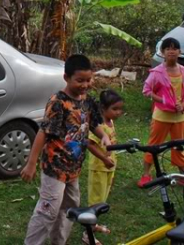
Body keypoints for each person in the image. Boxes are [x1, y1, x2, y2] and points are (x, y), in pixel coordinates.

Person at [21, 54, 112, 245]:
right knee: (48, 210)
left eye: (88, 80)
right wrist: (31, 164)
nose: (85, 85)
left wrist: (103, 135)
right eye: (80, 80)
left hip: (74, 169)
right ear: (66, 78)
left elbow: (93, 124)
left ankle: (58, 241)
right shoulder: (58, 102)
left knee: (70, 207)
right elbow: (43, 133)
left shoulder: (87, 101)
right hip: (55, 168)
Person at [138, 37, 184, 188]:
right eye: (168, 49)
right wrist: (162, 100)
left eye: (174, 48)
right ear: (162, 52)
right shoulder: (157, 72)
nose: (171, 51)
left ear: (179, 52)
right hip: (161, 115)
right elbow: (146, 90)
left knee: (179, 146)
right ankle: (146, 174)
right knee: (154, 145)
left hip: (179, 117)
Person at [85, 89, 124, 238]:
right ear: (102, 108)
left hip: (108, 167)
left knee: (102, 199)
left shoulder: (110, 122)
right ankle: (87, 234)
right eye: (114, 109)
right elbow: (89, 144)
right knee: (95, 201)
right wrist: (104, 159)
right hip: (99, 169)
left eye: (120, 109)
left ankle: (93, 226)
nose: (118, 112)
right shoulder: (99, 126)